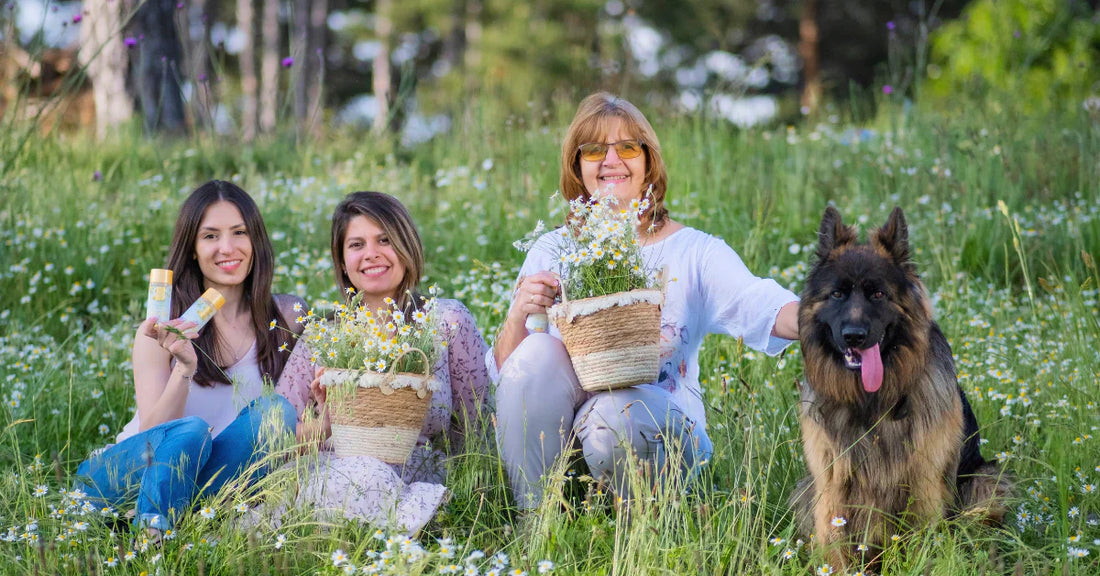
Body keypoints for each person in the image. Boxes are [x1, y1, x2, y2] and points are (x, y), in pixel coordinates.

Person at [490, 92, 800, 510]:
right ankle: (537, 522)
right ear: (577, 167)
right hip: (568, 450)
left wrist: (826, 317)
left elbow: (758, 302)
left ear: (648, 163)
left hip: (661, 442)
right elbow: (510, 381)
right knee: (538, 350)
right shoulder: (553, 250)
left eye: (628, 147)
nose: (611, 160)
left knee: (614, 413)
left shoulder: (695, 252)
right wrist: (518, 314)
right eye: (594, 149)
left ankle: (645, 535)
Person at [73, 180, 303, 537]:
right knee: (191, 432)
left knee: (277, 413)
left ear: (255, 241)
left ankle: (175, 523)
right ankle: (154, 539)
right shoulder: (161, 328)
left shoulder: (286, 316)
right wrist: (185, 367)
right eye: (210, 236)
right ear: (192, 249)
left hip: (214, 480)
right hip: (127, 474)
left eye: (239, 232)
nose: (227, 247)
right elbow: (154, 436)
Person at [274, 191, 490, 532]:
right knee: (359, 477)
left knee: (380, 482)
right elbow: (278, 438)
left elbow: (474, 428)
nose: (371, 254)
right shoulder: (323, 336)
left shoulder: (446, 321)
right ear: (343, 262)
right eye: (356, 245)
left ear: (407, 248)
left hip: (419, 476)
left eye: (385, 240)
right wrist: (327, 420)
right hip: (336, 473)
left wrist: (476, 497)